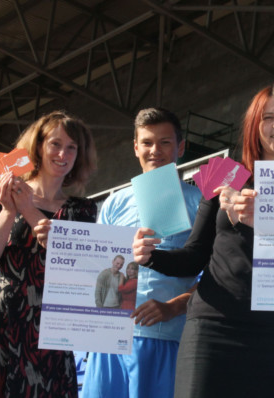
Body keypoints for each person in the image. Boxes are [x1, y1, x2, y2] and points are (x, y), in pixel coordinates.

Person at [132, 84, 274, 398]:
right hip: (213, 325)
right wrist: (151, 257)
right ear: (254, 126)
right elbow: (194, 255)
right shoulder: (226, 174)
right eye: (267, 117)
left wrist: (267, 221)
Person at [0, 111, 97, 397]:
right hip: (1, 322)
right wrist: (9, 210)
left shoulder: (82, 210)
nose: (63, 153)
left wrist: (28, 210)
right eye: (55, 144)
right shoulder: (2, 192)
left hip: (52, 328)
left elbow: (78, 269)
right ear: (38, 147)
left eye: (71, 147)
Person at [81, 107, 201, 398]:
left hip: (163, 337)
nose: (155, 150)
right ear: (135, 147)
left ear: (180, 147)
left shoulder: (199, 203)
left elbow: (214, 275)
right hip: (109, 341)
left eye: (165, 142)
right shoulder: (113, 204)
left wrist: (174, 306)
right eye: (147, 142)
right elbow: (97, 269)